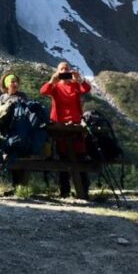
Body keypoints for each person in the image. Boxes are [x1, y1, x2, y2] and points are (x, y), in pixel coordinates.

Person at [40, 61, 91, 198]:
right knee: (62, 156)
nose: (64, 71)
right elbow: (43, 91)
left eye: (66, 69)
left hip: (75, 124)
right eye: (62, 69)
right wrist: (52, 80)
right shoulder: (55, 86)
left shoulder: (75, 85)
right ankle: (64, 190)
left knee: (80, 155)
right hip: (59, 125)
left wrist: (79, 79)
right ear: (58, 71)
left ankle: (83, 190)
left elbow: (86, 89)